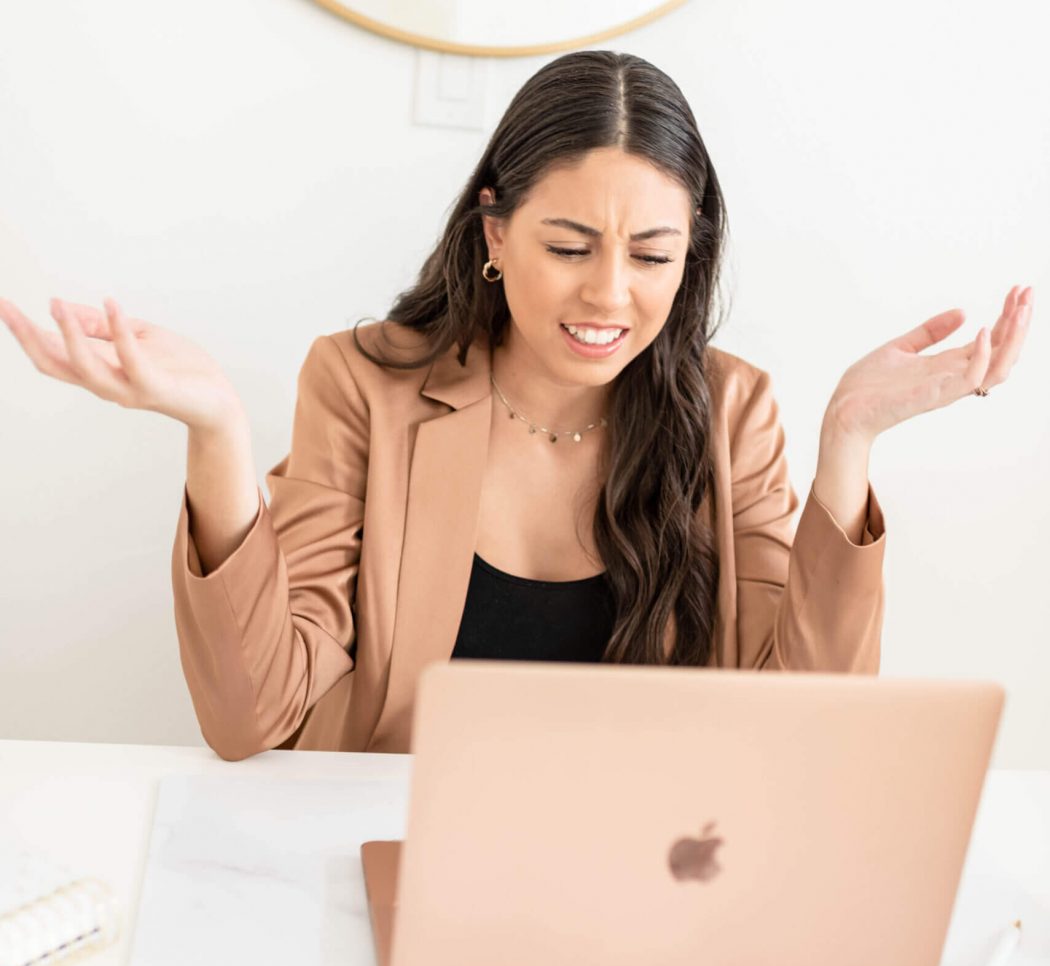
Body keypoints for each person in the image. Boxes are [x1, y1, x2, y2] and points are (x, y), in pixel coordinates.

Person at [0, 51, 1031, 762]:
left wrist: (847, 445)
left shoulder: (732, 413)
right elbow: (249, 716)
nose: (609, 295)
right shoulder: (364, 386)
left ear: (693, 256)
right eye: (570, 247)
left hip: (646, 877)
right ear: (495, 236)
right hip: (390, 852)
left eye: (653, 256)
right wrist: (216, 431)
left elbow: (807, 724)